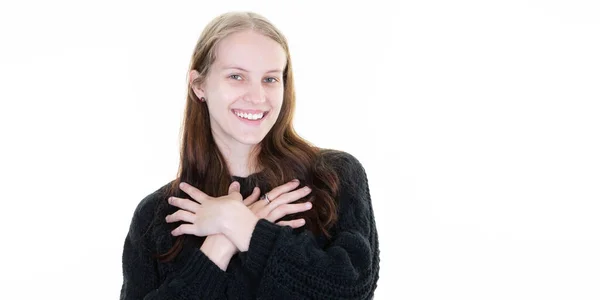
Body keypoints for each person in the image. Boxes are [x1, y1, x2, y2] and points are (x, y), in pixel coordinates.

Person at [120, 11, 380, 300]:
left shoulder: (333, 176)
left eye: (270, 79)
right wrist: (217, 246)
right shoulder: (159, 215)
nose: (257, 97)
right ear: (199, 86)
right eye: (236, 76)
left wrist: (244, 227)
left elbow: (352, 290)